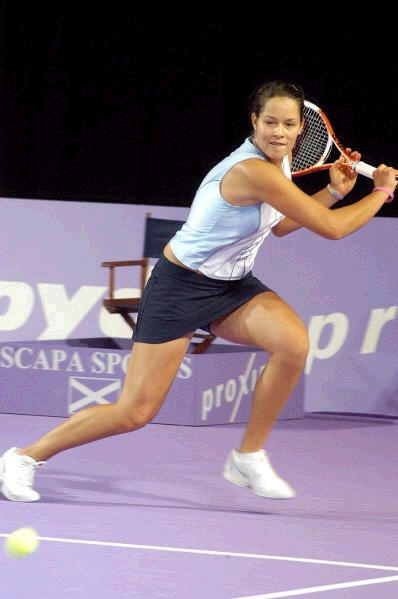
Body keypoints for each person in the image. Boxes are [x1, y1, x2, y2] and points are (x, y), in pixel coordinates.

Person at [1, 81, 396, 503]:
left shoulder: (280, 164)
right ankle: (24, 457)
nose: (278, 132)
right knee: (134, 412)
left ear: (301, 128)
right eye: (270, 123)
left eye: (288, 124)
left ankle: (248, 456)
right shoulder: (253, 171)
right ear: (254, 122)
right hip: (180, 287)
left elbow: (278, 227)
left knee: (293, 343)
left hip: (232, 286)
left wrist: (335, 190)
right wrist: (381, 191)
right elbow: (333, 229)